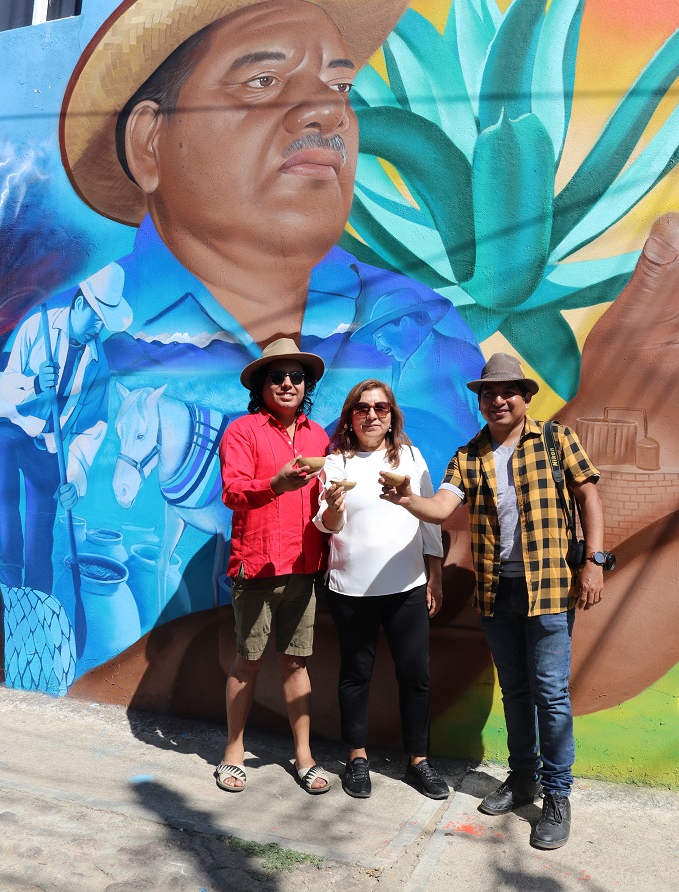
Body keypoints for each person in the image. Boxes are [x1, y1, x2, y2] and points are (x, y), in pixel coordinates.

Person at [59, 0, 484, 445]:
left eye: (340, 85)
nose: (329, 110)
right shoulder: (61, 346)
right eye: (263, 80)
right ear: (150, 141)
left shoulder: (418, 330)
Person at [381, 352, 606, 849]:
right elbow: (441, 505)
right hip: (496, 591)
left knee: (550, 694)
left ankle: (557, 794)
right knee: (516, 692)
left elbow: (589, 496)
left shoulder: (556, 439)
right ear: (479, 401)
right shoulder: (468, 455)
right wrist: (407, 500)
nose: (498, 400)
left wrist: (594, 561)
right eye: (489, 393)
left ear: (525, 397)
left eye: (507, 391)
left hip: (550, 588)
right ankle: (523, 777)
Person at [314, 379, 449, 800]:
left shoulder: (410, 457)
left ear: (392, 416)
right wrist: (333, 509)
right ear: (349, 418)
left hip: (407, 586)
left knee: (416, 675)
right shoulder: (335, 463)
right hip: (350, 590)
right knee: (356, 674)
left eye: (381, 408)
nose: (372, 415)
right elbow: (328, 524)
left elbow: (430, 519)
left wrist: (435, 576)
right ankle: (356, 758)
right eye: (362, 408)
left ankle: (419, 760)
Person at [216, 338, 331, 795]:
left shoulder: (318, 436)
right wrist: (275, 484)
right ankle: (233, 752)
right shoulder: (243, 431)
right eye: (277, 376)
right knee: (247, 662)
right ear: (261, 386)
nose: (287, 383)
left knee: (296, 663)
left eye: (296, 377)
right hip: (258, 566)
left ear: (306, 386)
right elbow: (233, 491)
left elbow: (325, 500)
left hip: (304, 567)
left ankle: (304, 756)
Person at [0, 264, 132, 593]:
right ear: (80, 303)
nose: (99, 329)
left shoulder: (97, 363)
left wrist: (74, 478)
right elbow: (3, 387)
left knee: (40, 536)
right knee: (5, 507)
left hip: (51, 447)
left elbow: (92, 426)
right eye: (97, 318)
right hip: (13, 433)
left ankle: (38, 602)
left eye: (104, 323)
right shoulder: (37, 327)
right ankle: (7, 581)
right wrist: (33, 384)